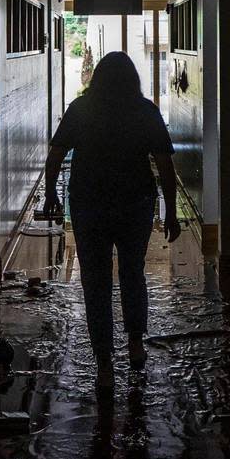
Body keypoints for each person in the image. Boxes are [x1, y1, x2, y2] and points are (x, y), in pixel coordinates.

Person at [42, 51, 180, 390]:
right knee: (133, 271)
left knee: (96, 281)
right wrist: (171, 211)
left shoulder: (81, 109)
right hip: (135, 203)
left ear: (98, 77)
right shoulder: (146, 110)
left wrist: (50, 195)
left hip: (89, 204)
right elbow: (165, 167)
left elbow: (55, 156)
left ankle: (104, 364)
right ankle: (135, 343)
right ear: (133, 79)